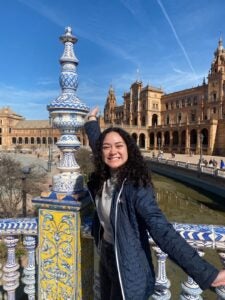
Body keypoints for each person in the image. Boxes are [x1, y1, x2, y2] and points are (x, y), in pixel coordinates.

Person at [85, 107, 225, 300]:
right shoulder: (105, 178)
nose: (112, 151)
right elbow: (97, 143)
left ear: (129, 149)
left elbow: (161, 230)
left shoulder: (135, 186)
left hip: (128, 264)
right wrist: (91, 121)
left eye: (119, 146)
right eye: (107, 147)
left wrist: (207, 273)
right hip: (107, 256)